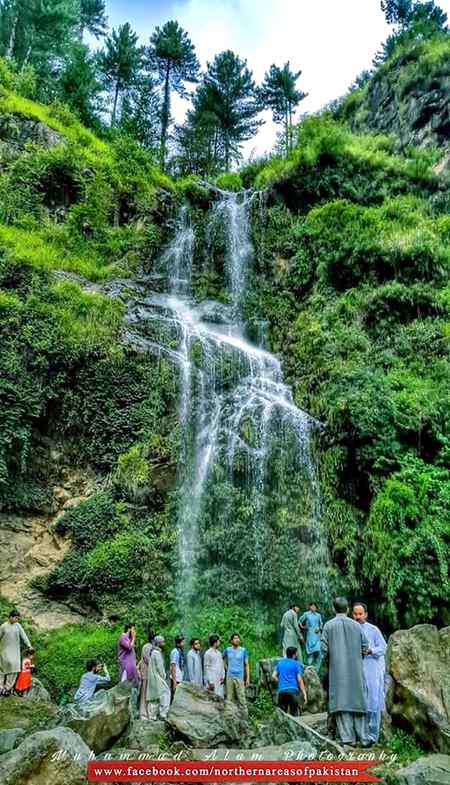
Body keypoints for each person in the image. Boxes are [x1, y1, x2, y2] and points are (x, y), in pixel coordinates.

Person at [321, 596, 370, 747]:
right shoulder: (356, 626)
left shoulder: (328, 626)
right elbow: (365, 647)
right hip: (356, 671)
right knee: (358, 702)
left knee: (341, 704)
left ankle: (348, 739)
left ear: (333, 609)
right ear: (348, 609)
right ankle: (364, 738)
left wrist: (331, 662)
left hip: (337, 672)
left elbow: (323, 650)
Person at [352, 602, 387, 745]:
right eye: (355, 614)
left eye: (360, 614)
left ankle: (373, 736)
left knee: (373, 701)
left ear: (365, 614)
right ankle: (361, 735)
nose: (358, 617)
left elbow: (383, 647)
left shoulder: (373, 630)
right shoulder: (350, 630)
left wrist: (371, 650)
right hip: (357, 671)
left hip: (372, 669)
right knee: (360, 702)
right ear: (351, 614)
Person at [0, 610, 32, 696]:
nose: (16, 620)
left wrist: (29, 645)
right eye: (15, 617)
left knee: (14, 669)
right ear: (10, 617)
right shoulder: (3, 626)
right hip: (5, 651)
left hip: (15, 651)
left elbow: (24, 636)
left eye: (17, 618)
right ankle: (1, 688)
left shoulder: (18, 626)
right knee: (2, 670)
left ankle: (7, 688)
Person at [272, 646, 308, 717]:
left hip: (282, 691)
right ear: (294, 655)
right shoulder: (296, 664)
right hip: (292, 691)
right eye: (296, 654)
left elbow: (273, 676)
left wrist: (280, 682)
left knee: (282, 716)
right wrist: (304, 694)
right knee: (294, 716)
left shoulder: (280, 663)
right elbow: (299, 680)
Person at [223, 633, 250, 718]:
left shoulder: (243, 650)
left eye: (238, 638)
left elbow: (247, 664)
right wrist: (226, 668)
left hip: (240, 676)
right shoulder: (227, 650)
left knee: (241, 697)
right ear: (231, 641)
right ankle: (229, 717)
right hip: (230, 676)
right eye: (235, 638)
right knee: (229, 697)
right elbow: (221, 658)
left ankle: (245, 718)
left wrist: (248, 678)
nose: (237, 640)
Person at [147, 635, 170, 720]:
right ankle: (163, 714)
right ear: (159, 643)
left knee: (154, 697)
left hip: (153, 677)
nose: (164, 643)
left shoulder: (153, 652)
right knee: (165, 693)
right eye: (163, 642)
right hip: (157, 677)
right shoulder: (157, 653)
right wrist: (163, 676)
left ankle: (152, 716)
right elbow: (160, 667)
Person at [299, 602, 323, 669]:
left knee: (319, 652)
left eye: (314, 606)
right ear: (309, 607)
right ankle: (309, 669)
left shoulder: (318, 615)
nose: (313, 608)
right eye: (312, 606)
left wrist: (319, 628)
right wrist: (303, 627)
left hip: (317, 636)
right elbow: (299, 621)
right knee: (310, 653)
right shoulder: (306, 614)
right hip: (310, 635)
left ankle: (316, 669)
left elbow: (321, 623)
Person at [138, 630, 155, 720]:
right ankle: (143, 714)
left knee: (148, 693)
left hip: (148, 673)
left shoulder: (148, 646)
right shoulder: (149, 647)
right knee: (145, 693)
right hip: (146, 673)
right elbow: (147, 659)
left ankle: (149, 713)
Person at [118, 623, 139, 687]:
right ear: (129, 629)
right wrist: (133, 638)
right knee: (124, 685)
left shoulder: (127, 638)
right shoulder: (123, 637)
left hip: (129, 666)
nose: (134, 632)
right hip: (125, 666)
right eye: (133, 629)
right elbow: (129, 647)